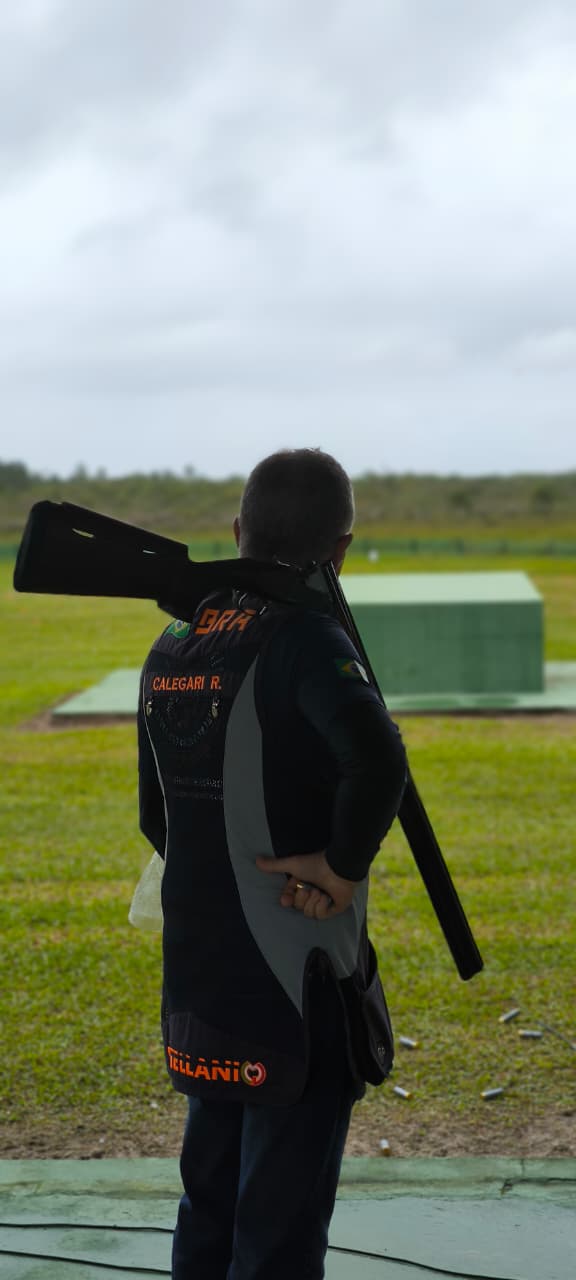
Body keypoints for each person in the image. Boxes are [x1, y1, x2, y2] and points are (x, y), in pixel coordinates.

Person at [137, 447, 407, 1280]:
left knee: (209, 1208)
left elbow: (156, 818)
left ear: (237, 532)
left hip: (201, 976)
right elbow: (378, 758)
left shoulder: (174, 640)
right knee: (278, 1235)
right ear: (342, 549)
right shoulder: (306, 637)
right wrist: (341, 868)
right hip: (299, 971)